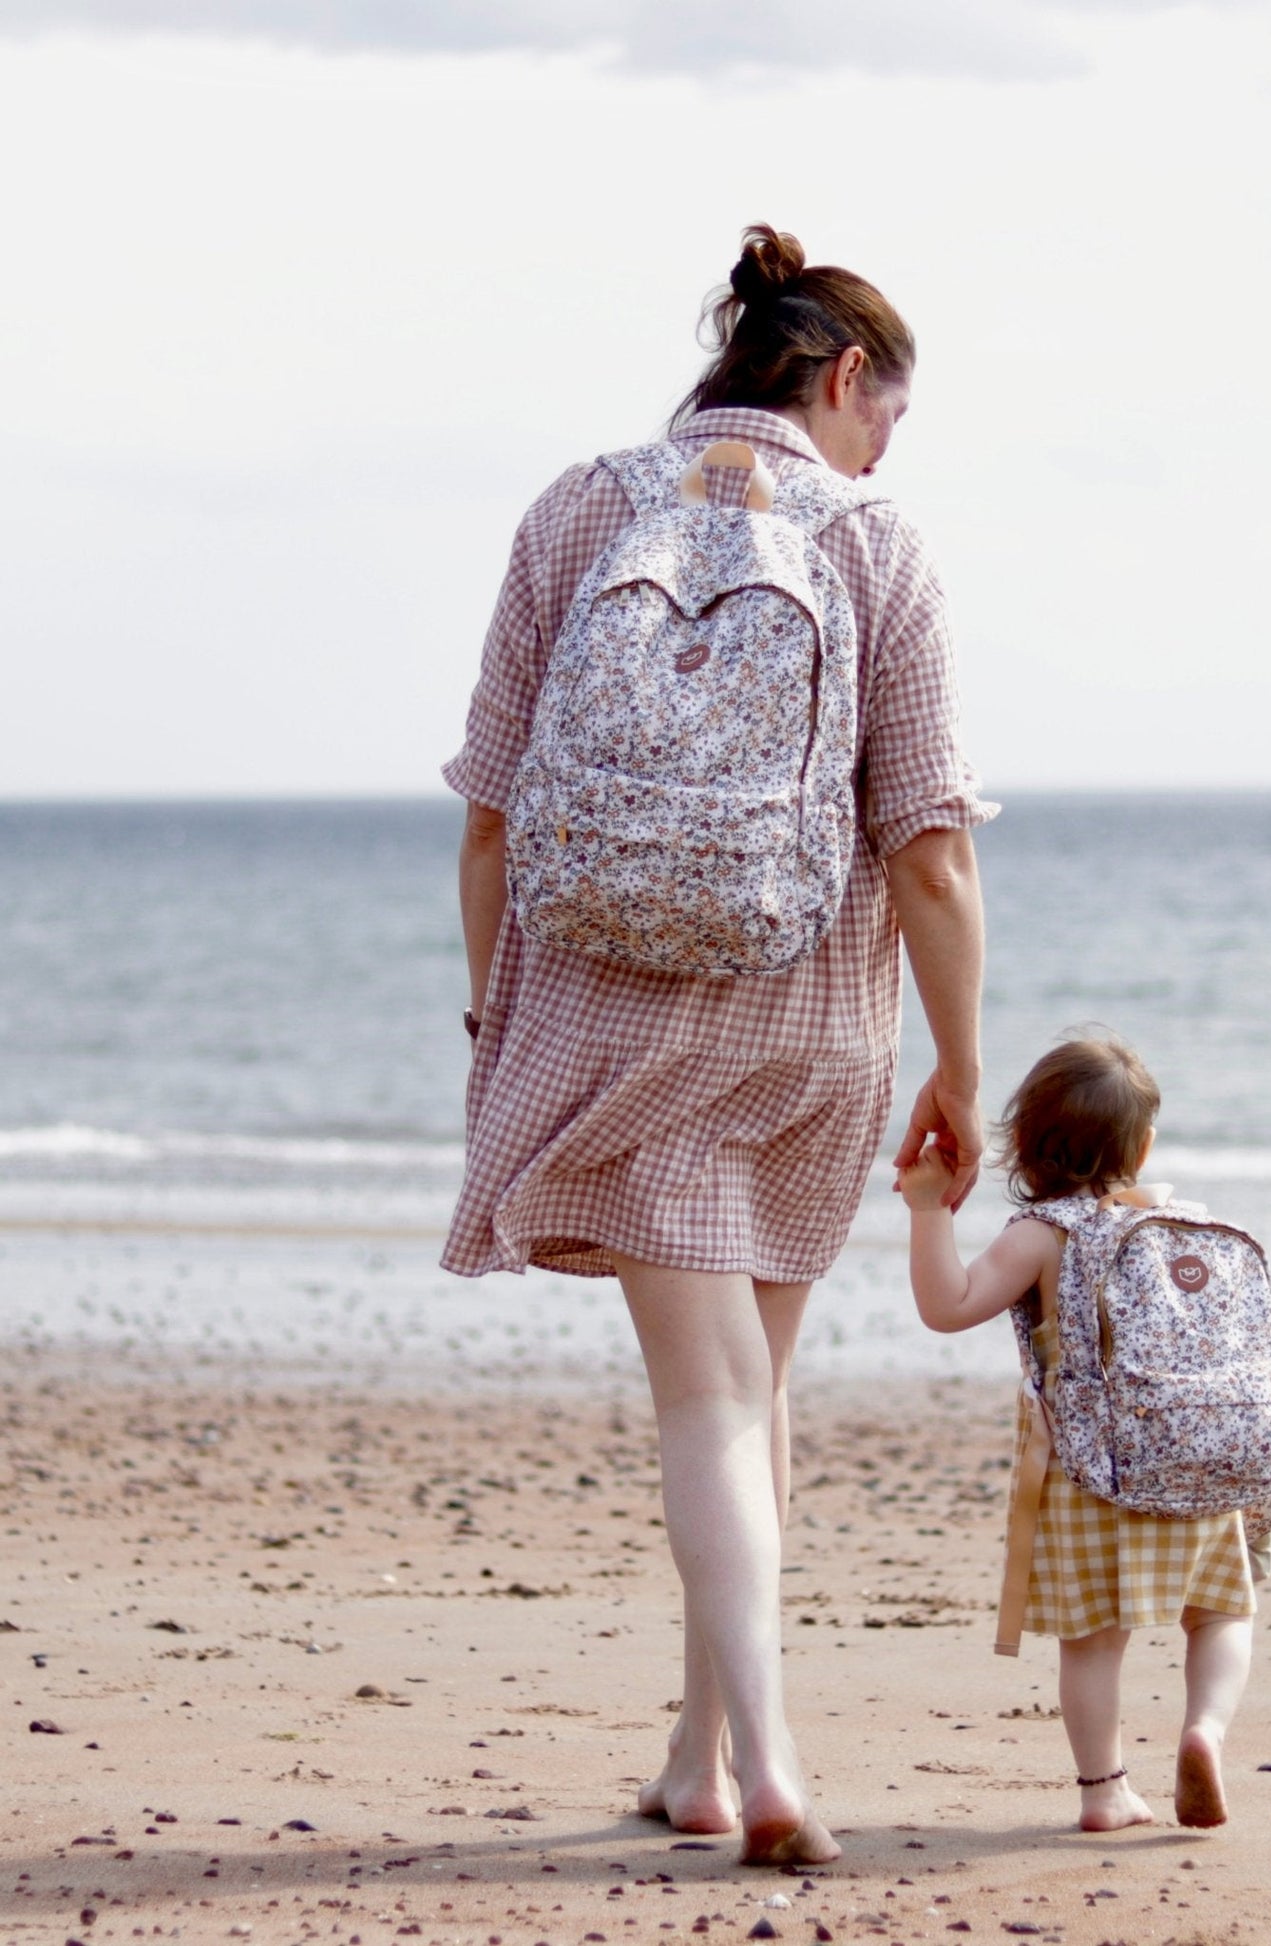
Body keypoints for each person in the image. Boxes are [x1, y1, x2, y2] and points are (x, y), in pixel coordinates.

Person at [442, 225, 994, 1866]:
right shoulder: (877, 542)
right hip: (811, 1023)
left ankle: (763, 1764)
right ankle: (715, 1755)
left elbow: (486, 819)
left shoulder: (575, 507)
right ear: (839, 382)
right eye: (887, 414)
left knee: (711, 1407)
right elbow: (933, 850)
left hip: (616, 1021)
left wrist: (499, 1020)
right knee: (752, 1398)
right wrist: (960, 1069)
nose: (885, 447)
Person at [898, 1038, 1259, 1834]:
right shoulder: (1187, 1224)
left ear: (1022, 1143)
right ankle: (1204, 1729)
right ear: (1143, 1147)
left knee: (1094, 1644)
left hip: (1090, 1473)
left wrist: (927, 1209)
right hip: (1195, 1464)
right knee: (1224, 1615)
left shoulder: (1042, 1234)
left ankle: (1105, 1790)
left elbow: (948, 1306)